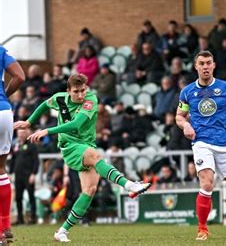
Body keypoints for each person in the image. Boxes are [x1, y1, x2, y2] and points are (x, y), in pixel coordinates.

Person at [13, 74, 151, 242]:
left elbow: (76, 124)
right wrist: (29, 122)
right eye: (76, 91)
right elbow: (44, 104)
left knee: (90, 190)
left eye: (83, 90)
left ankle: (62, 231)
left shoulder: (90, 100)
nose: (80, 95)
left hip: (86, 145)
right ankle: (130, 185)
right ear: (68, 91)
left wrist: (47, 130)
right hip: (70, 147)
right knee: (95, 156)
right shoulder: (60, 99)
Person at [176, 51, 226, 240]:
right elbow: (179, 116)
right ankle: (202, 228)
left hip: (225, 144)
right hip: (202, 142)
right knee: (207, 183)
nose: (205, 66)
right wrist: (185, 124)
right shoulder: (187, 92)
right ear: (196, 66)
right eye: (201, 63)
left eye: (208, 63)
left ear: (213, 65)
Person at [0, 46, 25, 244]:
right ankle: (5, 225)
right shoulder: (1, 51)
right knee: (1, 169)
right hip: (4, 113)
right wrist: (5, 96)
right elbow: (20, 77)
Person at [10, 128, 39, 225]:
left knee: (31, 197)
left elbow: (36, 161)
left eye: (23, 133)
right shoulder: (16, 145)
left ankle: (33, 218)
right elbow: (12, 161)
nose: (21, 135)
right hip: (18, 176)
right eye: (19, 134)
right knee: (18, 198)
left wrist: (34, 174)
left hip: (28, 175)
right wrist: (10, 173)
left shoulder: (31, 146)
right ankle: (20, 219)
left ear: (26, 134)